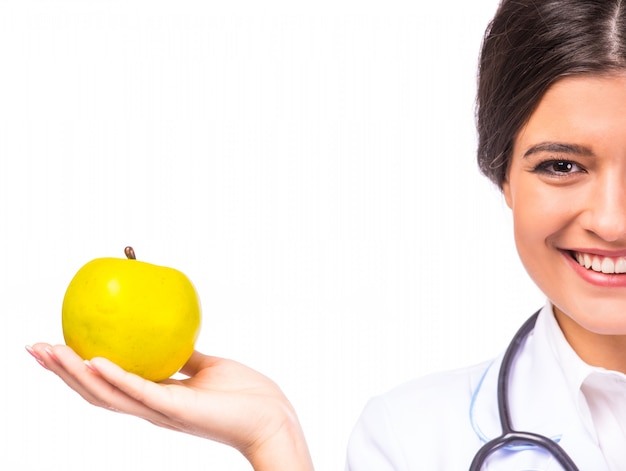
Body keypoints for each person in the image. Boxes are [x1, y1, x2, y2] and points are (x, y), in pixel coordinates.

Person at [26, 0, 626, 468]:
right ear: (504, 179)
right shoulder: (409, 440)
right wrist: (274, 439)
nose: (611, 220)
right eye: (562, 166)